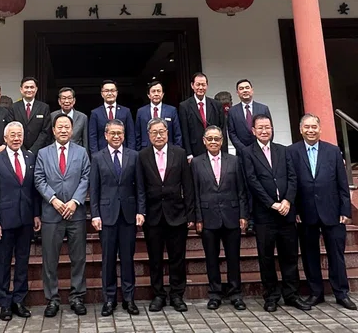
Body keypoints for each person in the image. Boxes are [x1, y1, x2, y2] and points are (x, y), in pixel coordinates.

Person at [240, 114, 311, 313]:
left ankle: (291, 295)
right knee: (266, 257)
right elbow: (252, 182)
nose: (264, 131)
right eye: (260, 128)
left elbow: (292, 177)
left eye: (268, 127)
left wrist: (287, 200)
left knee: (289, 256)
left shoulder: (283, 150)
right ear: (253, 131)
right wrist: (272, 203)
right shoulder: (247, 153)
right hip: (264, 215)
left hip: (287, 213)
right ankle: (271, 296)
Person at [288, 113, 357, 311]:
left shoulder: (333, 151)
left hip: (333, 211)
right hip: (305, 211)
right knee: (310, 255)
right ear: (301, 129)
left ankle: (341, 293)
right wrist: (295, 210)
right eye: (307, 127)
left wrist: (346, 209)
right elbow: (291, 184)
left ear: (320, 129)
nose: (311, 130)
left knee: (336, 254)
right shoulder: (292, 152)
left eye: (314, 127)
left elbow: (342, 183)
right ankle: (316, 292)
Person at [33, 113, 91, 317]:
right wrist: (54, 200)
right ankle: (52, 299)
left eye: (67, 127)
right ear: (54, 130)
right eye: (60, 127)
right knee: (50, 258)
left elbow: (86, 177)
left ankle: (77, 296)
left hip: (76, 213)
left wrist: (75, 201)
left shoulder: (82, 152)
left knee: (78, 257)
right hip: (51, 212)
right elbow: (39, 179)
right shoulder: (43, 153)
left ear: (72, 129)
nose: (64, 130)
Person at [137, 117, 194, 313]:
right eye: (154, 132)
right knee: (155, 258)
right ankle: (159, 294)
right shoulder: (142, 155)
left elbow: (187, 185)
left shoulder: (179, 154)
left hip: (177, 214)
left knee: (177, 257)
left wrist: (190, 214)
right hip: (152, 216)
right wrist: (141, 212)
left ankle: (177, 294)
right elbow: (140, 188)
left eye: (162, 132)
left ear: (168, 133)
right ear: (148, 135)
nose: (159, 135)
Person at [90, 119, 145, 316]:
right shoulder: (97, 157)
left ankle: (129, 299)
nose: (116, 136)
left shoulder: (134, 156)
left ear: (124, 135)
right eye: (112, 133)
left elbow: (139, 187)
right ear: (105, 135)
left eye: (119, 133)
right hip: (106, 216)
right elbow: (94, 189)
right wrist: (94, 214)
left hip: (129, 215)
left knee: (128, 259)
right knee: (108, 259)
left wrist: (141, 211)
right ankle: (109, 299)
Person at [0, 121, 42, 321]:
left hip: (26, 219)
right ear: (5, 138)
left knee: (22, 261)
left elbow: (34, 190)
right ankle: (4, 303)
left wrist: (36, 214)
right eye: (13, 135)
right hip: (4, 220)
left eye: (19, 134)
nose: (17, 138)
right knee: (3, 262)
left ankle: (19, 300)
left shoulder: (30, 157)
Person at [190, 125, 248, 310]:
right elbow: (194, 193)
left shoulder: (234, 161)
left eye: (217, 139)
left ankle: (235, 293)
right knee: (211, 258)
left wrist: (243, 215)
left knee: (233, 257)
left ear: (222, 141)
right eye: (210, 139)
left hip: (232, 215)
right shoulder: (197, 163)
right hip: (208, 217)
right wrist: (198, 218)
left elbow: (241, 190)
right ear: (204, 141)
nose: (213, 142)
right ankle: (214, 294)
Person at [179, 73, 226, 161]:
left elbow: (222, 128)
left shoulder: (216, 105)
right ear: (192, 85)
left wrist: (224, 152)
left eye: (203, 85)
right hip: (195, 151)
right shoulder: (184, 106)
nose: (201, 88)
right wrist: (188, 154)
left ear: (207, 86)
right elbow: (184, 132)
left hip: (215, 148)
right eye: (198, 85)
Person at [227, 79, 273, 157]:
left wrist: (263, 146)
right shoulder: (232, 111)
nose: (245, 90)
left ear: (252, 90)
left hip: (262, 152)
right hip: (242, 153)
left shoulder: (263, 108)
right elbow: (232, 133)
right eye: (241, 89)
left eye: (247, 87)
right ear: (237, 93)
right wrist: (244, 150)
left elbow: (270, 129)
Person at [88, 80, 135, 154]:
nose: (110, 93)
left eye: (112, 90)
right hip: (102, 153)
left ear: (117, 93)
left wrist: (131, 153)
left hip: (123, 153)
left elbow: (131, 135)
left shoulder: (126, 111)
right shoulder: (95, 113)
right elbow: (92, 137)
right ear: (102, 94)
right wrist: (95, 155)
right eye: (106, 91)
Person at [135, 81, 182, 150]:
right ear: (148, 95)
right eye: (153, 91)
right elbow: (137, 135)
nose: (156, 94)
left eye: (159, 91)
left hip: (168, 150)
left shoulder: (172, 110)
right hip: (146, 150)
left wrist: (178, 150)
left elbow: (177, 134)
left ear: (163, 94)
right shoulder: (141, 112)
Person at [12, 77, 52, 155]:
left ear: (36, 89)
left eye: (32, 87)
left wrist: (33, 150)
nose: (29, 90)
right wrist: (22, 150)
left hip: (39, 151)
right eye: (26, 87)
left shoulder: (44, 107)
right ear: (21, 89)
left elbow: (45, 132)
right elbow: (11, 130)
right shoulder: (13, 107)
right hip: (18, 151)